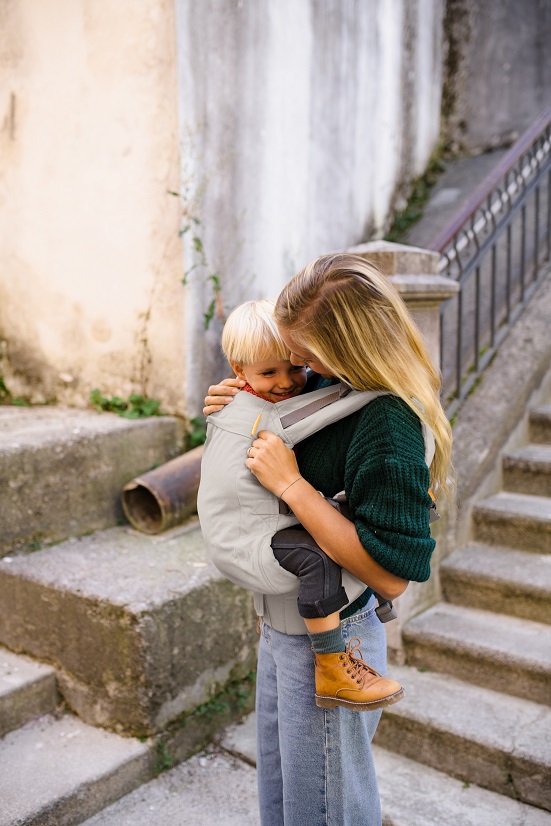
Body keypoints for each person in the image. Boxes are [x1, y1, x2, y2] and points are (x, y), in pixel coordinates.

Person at [203, 253, 453, 826]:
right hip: (280, 626)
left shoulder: (388, 424)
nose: (297, 369)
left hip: (334, 640)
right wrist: (240, 404)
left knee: (324, 811)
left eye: (306, 356)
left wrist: (291, 485)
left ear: (349, 350)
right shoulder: (328, 382)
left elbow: (392, 575)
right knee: (284, 797)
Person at [204, 298, 404, 711]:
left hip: (257, 528)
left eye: (296, 366)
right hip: (251, 540)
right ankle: (331, 663)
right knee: (319, 559)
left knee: (342, 524)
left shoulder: (246, 398)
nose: (287, 382)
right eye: (269, 373)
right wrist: (388, 387)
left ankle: (369, 612)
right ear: (239, 371)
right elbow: (332, 403)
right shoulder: (260, 414)